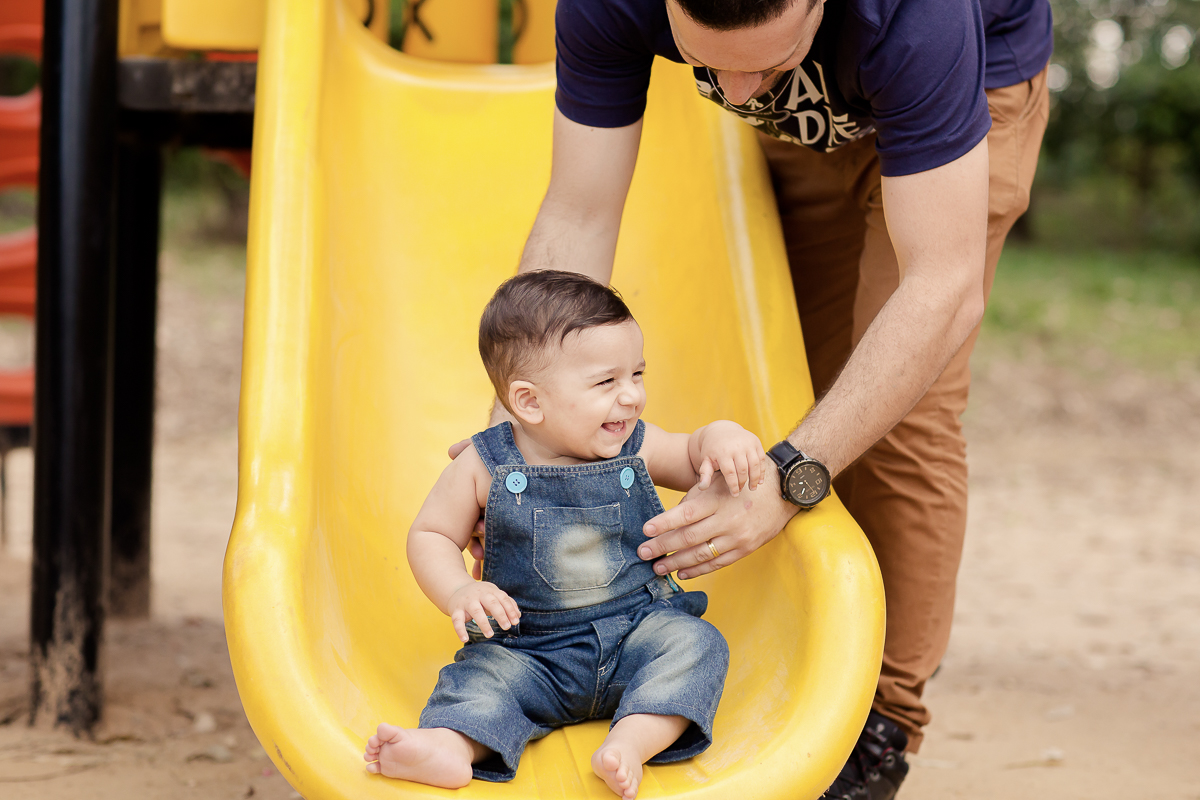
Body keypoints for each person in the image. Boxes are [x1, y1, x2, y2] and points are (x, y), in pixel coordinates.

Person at [495, 0, 1055, 797]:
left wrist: (792, 479)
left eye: (761, 61)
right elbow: (581, 213)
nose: (733, 85)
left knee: (900, 413)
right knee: (818, 374)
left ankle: (880, 728)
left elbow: (944, 285)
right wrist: (518, 436)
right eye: (706, 61)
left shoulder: (918, 18)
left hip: (970, 92)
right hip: (821, 110)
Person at [365, 270, 763, 799]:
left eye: (637, 374)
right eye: (607, 382)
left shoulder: (636, 446)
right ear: (529, 402)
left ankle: (630, 741)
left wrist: (722, 436)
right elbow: (431, 533)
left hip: (637, 637)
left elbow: (693, 456)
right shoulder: (484, 465)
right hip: (529, 652)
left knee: (696, 646)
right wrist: (460, 589)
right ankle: (450, 747)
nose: (632, 397)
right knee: (478, 682)